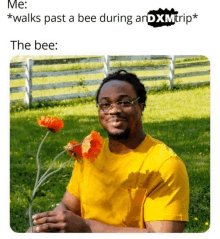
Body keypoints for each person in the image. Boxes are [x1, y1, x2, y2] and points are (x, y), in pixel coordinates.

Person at [30, 70, 189, 233]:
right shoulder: (91, 152)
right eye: (105, 104)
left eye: (124, 102)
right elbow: (67, 206)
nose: (114, 110)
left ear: (140, 107)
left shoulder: (165, 165)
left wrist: (87, 228)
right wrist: (44, 228)